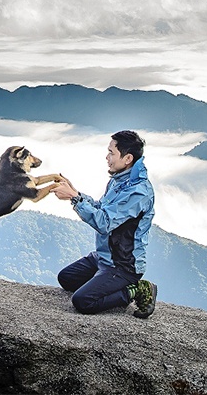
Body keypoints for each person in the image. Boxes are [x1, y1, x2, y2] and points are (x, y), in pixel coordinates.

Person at [52, 130, 157, 318]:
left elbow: (104, 223)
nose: (106, 157)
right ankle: (106, 284)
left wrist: (75, 199)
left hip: (123, 265)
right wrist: (76, 193)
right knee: (66, 278)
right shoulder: (120, 180)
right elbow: (102, 208)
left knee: (82, 301)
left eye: (111, 152)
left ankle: (135, 289)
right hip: (104, 257)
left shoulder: (138, 192)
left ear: (128, 158)